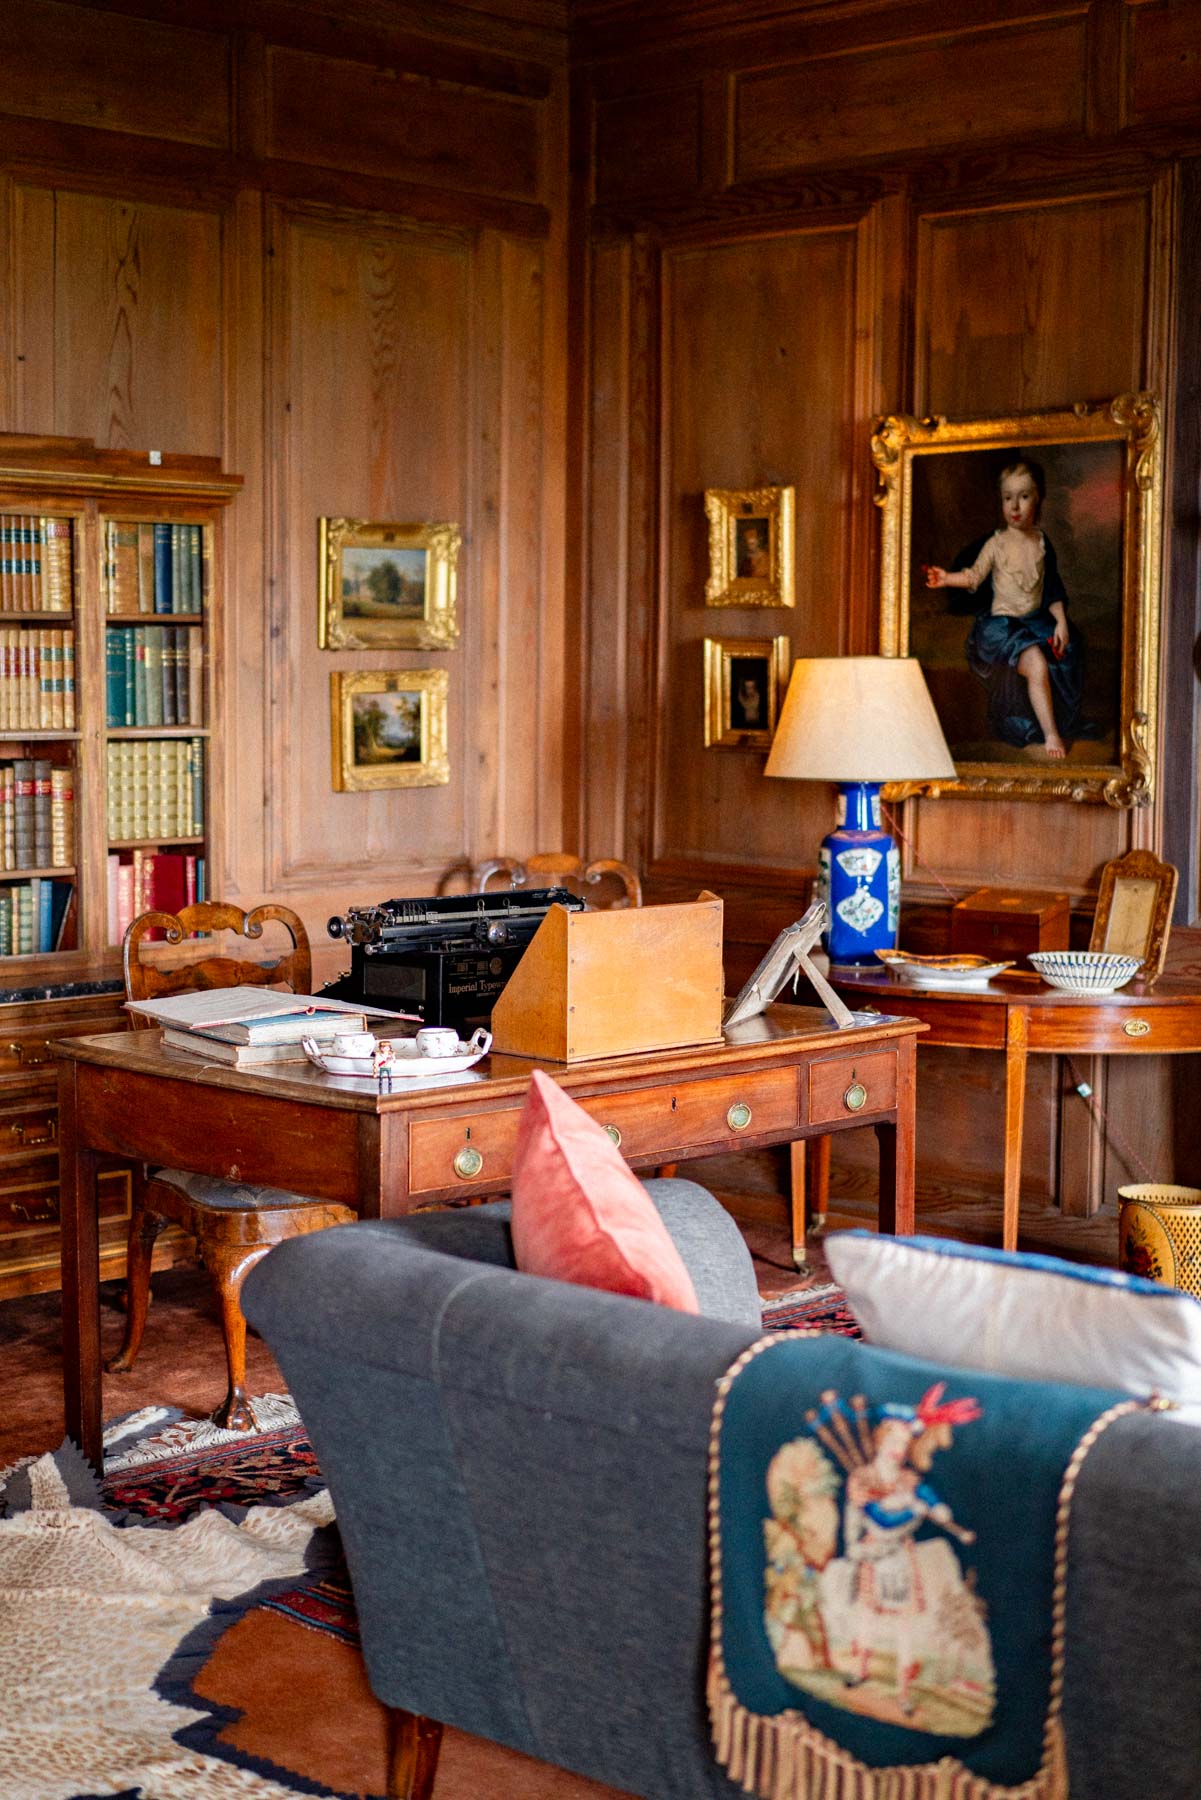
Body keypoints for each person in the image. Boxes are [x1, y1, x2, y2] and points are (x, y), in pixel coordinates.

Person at [925, 458, 1085, 760]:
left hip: (1035, 622)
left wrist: (1061, 622)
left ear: (1037, 499)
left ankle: (1055, 723)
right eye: (1008, 497)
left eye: (1023, 497)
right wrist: (946, 578)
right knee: (1036, 662)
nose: (1015, 506)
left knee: (1069, 651)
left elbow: (1052, 588)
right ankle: (1051, 734)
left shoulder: (1041, 542)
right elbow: (973, 576)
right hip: (1001, 627)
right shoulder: (996, 544)